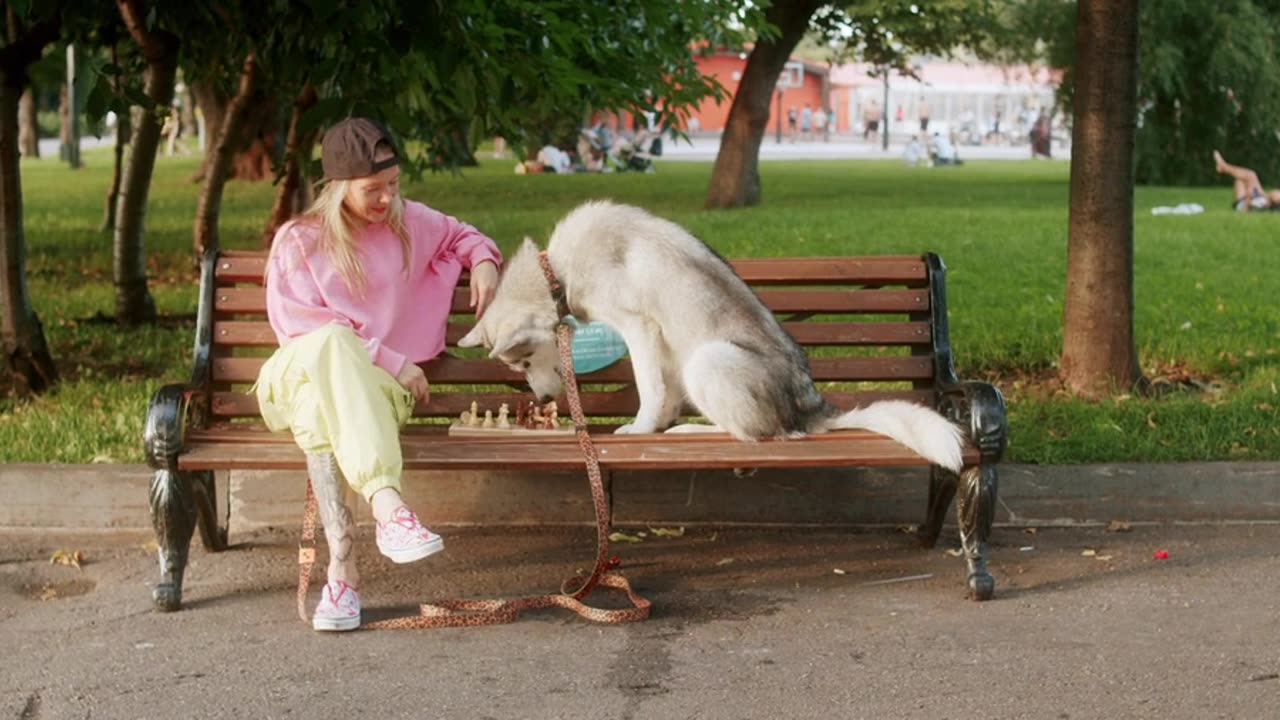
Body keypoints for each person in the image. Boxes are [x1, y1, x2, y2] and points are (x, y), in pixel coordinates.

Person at [255, 118, 502, 632]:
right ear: (339, 187)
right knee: (329, 343)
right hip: (296, 373)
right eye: (373, 190)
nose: (388, 199)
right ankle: (389, 507)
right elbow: (304, 329)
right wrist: (393, 360)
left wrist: (482, 262)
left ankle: (341, 574)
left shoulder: (410, 223)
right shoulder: (299, 240)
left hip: (366, 395)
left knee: (320, 410)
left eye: (394, 185)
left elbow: (465, 235)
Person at [1214, 150, 1280, 212]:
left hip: (1246, 202)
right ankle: (1223, 167)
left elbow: (1246, 209)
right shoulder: (1267, 201)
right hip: (1258, 197)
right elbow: (1268, 198)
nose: (1277, 191)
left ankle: (1223, 167)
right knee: (1242, 178)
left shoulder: (1261, 207)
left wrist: (1249, 197)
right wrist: (1264, 196)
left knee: (1250, 175)